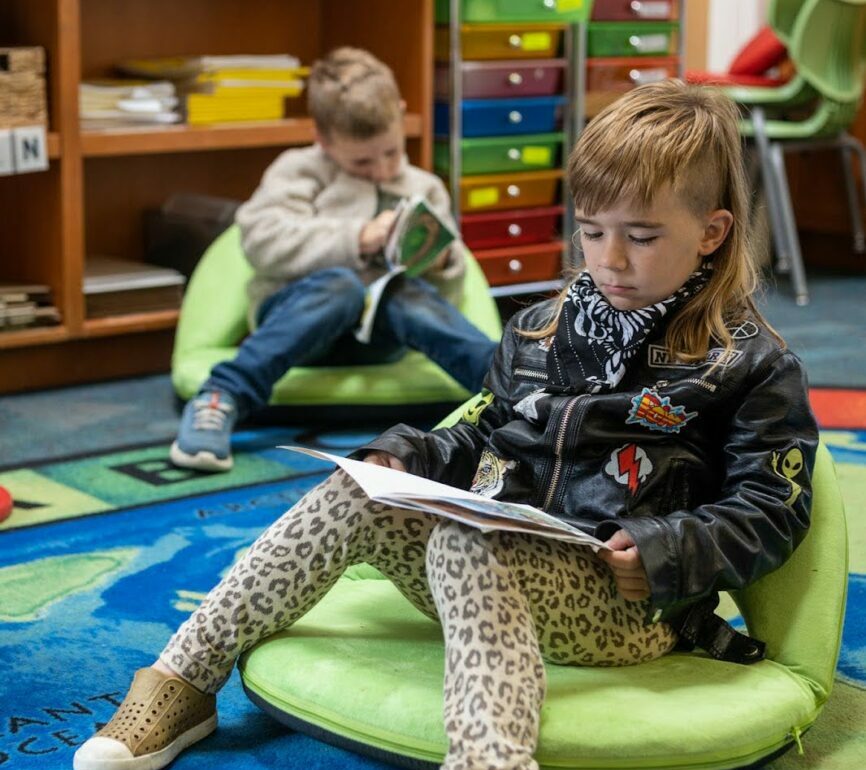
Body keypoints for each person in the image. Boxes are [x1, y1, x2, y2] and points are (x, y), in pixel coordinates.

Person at [73, 80, 819, 770]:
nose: (609, 259)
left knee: (468, 537)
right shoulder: (539, 328)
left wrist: (663, 549)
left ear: (712, 232)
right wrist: (406, 458)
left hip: (630, 609)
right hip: (495, 567)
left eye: (643, 237)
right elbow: (484, 434)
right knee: (354, 490)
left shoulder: (750, 364)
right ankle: (182, 681)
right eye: (592, 232)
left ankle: (490, 759)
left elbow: (774, 508)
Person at [170, 47, 498, 473]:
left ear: (402, 117)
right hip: (299, 326)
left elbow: (446, 295)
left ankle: (512, 390)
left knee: (401, 293)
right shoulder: (297, 170)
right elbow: (260, 242)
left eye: (391, 152)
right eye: (361, 161)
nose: (381, 170)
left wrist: (440, 262)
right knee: (343, 286)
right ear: (323, 140)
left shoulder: (424, 187)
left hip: (379, 339)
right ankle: (222, 395)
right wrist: (357, 238)